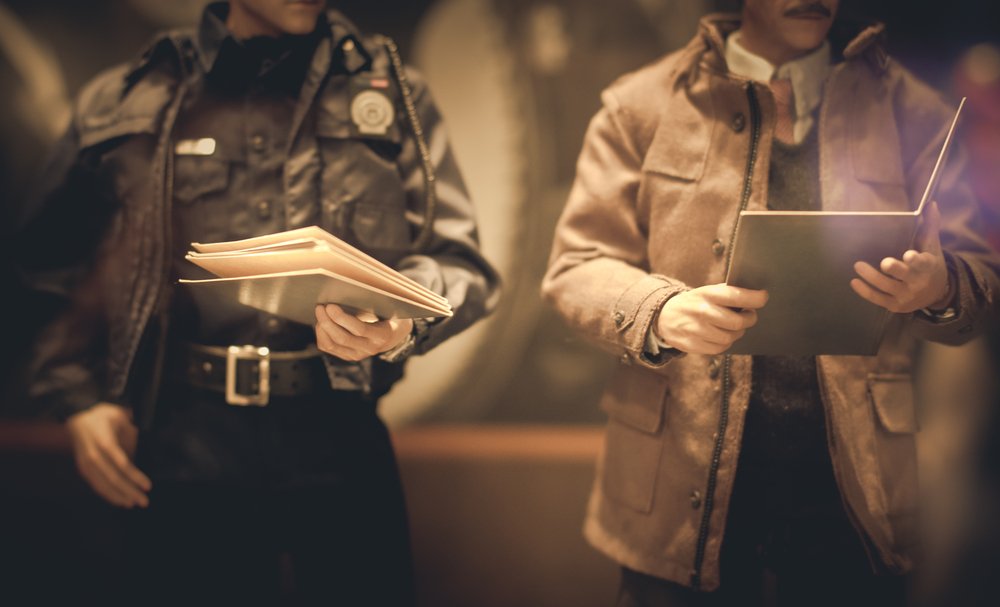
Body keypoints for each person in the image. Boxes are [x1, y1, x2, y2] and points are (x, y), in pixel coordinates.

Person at [15, 1, 499, 604]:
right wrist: (76, 399)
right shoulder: (134, 94)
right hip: (183, 434)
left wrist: (401, 321)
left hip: (340, 429)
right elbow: (45, 263)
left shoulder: (394, 91)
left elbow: (463, 264)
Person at [542, 1, 1000, 605]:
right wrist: (659, 310)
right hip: (675, 488)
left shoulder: (913, 110)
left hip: (854, 495)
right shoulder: (641, 103)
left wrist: (940, 286)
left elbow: (980, 279)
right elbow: (575, 267)